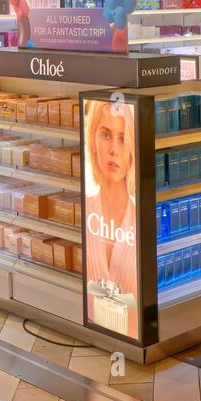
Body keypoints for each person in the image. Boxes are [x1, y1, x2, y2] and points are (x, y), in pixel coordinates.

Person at [83, 100, 138, 338]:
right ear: (93, 139)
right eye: (105, 135)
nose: (114, 149)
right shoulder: (84, 211)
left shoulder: (143, 219)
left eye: (123, 138)